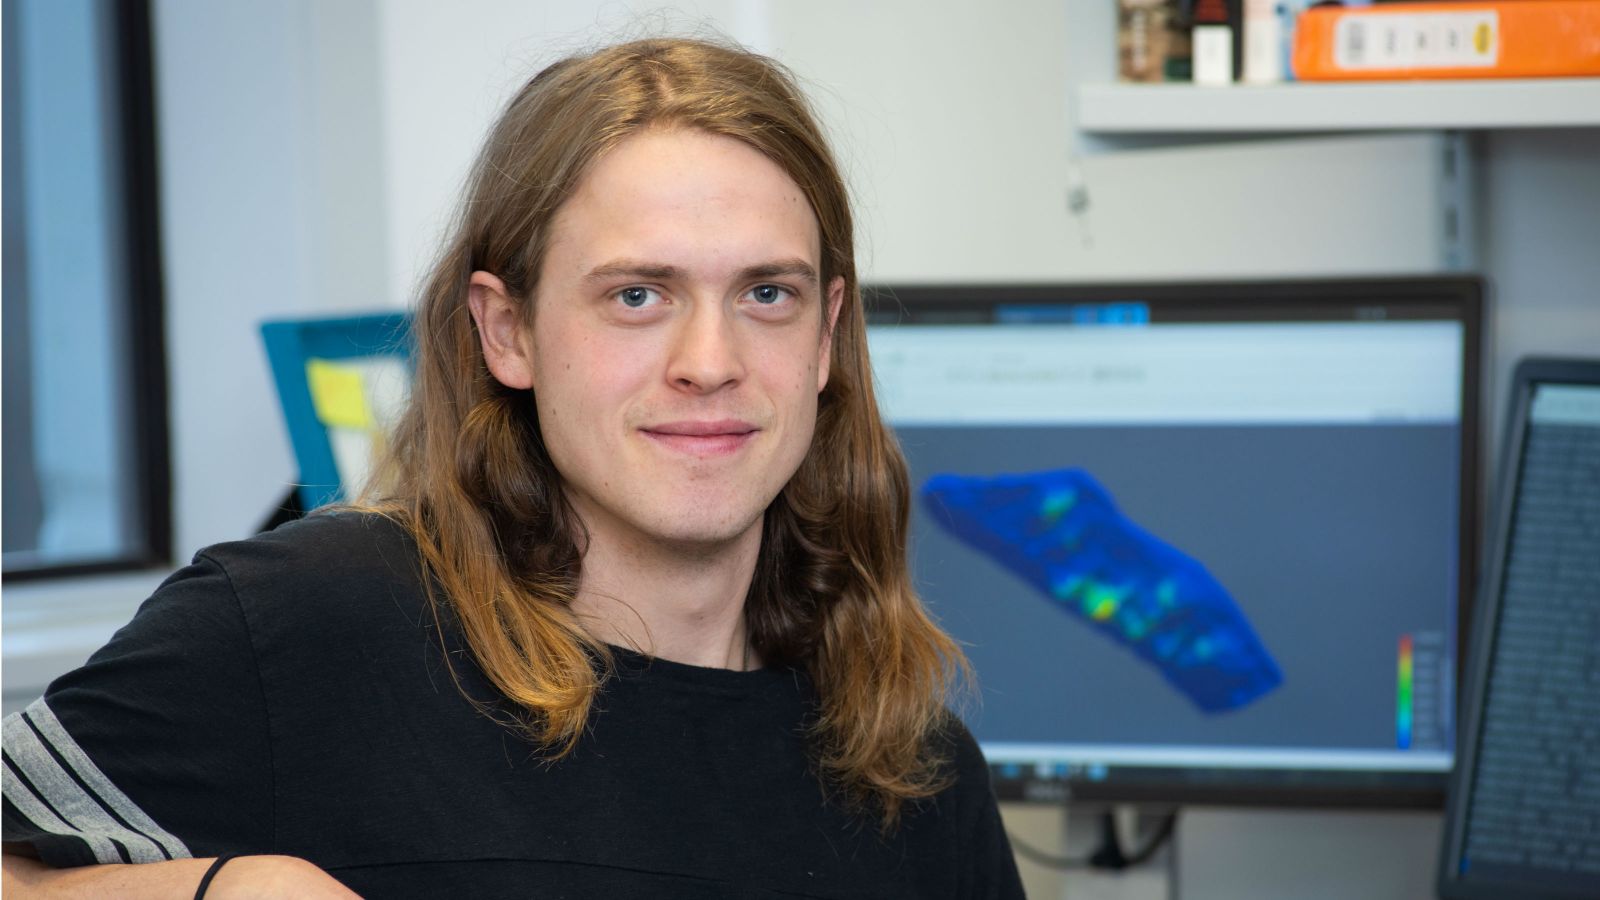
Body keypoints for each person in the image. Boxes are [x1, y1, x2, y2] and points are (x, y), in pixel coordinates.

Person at [1, 37, 1026, 898]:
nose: (709, 364)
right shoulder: (306, 626)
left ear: (825, 336)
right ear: (507, 332)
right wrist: (226, 891)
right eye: (637, 295)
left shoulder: (913, 772)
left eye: (767, 295)